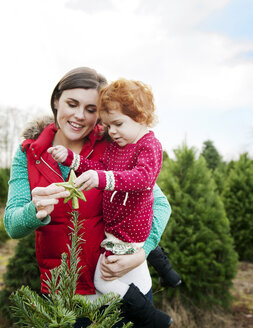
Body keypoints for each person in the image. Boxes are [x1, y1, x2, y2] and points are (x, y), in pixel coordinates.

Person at [3, 67, 171, 328]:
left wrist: (142, 253)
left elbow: (159, 203)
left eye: (91, 109)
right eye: (72, 104)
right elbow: (12, 225)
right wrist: (34, 210)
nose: (79, 116)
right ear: (56, 100)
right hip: (66, 299)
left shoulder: (114, 147)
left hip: (122, 290)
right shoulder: (30, 154)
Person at [48, 79, 172, 327]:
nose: (112, 131)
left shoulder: (148, 145)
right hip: (114, 230)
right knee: (125, 278)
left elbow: (144, 178)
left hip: (128, 231)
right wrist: (72, 159)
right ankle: (154, 299)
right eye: (108, 125)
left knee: (104, 281)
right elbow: (99, 167)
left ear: (142, 117)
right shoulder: (117, 145)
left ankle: (152, 318)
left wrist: (103, 179)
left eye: (118, 124)